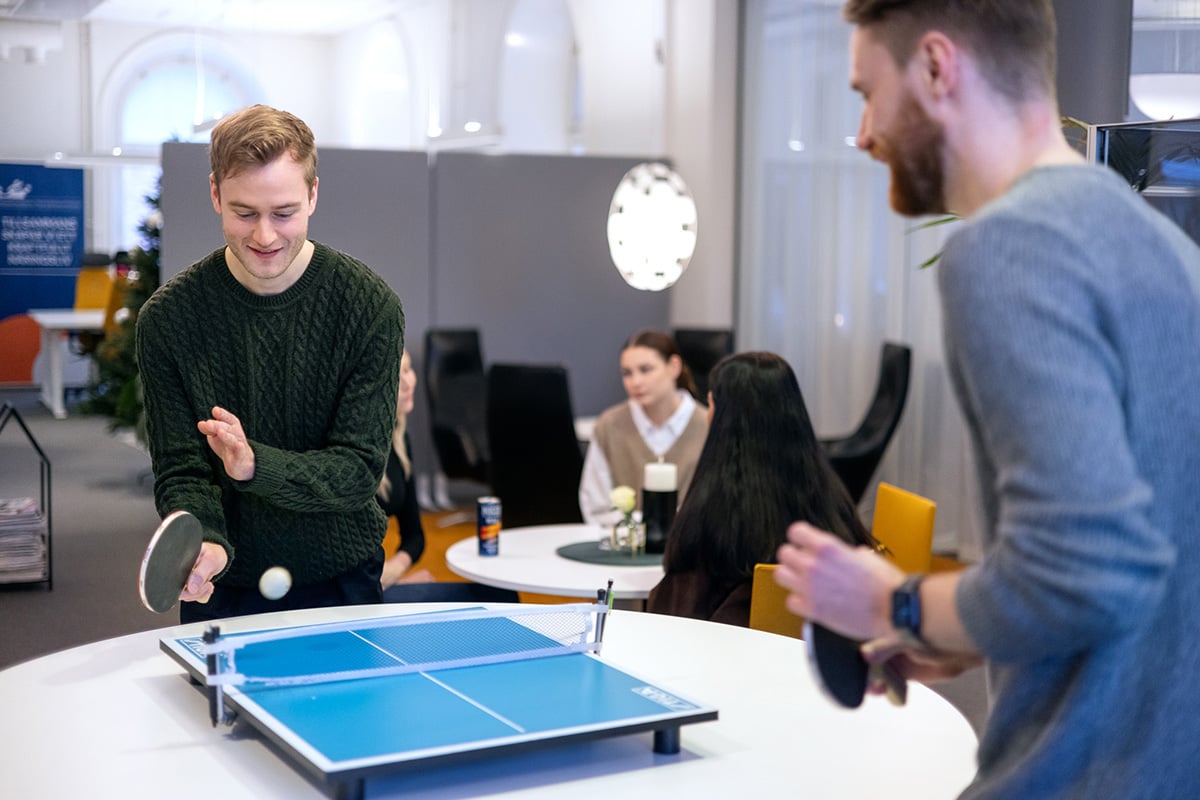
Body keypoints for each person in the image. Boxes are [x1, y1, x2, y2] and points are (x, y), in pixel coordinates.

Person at [774, 2, 1200, 798]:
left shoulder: (1009, 245)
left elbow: (1089, 569)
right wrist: (958, 630)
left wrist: (895, 602)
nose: (864, 134)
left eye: (867, 93)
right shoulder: (1163, 249)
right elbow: (1152, 563)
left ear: (937, 68)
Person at [136, 104, 405, 623]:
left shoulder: (370, 307)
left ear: (313, 195)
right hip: (226, 585)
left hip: (342, 579)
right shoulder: (168, 319)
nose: (264, 236)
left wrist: (254, 464)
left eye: (283, 213)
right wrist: (207, 542)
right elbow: (182, 469)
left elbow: (357, 472)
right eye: (244, 213)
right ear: (215, 194)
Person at [647, 352, 874, 626]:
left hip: (726, 653)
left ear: (721, 419)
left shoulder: (713, 514)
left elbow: (676, 611)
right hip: (811, 646)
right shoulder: (828, 496)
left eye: (711, 406)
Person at [579, 329, 708, 526]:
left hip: (690, 550)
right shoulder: (610, 425)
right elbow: (596, 506)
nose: (635, 382)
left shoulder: (707, 424)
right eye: (627, 373)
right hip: (625, 549)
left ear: (674, 367)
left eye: (646, 369)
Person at [378, 350, 435, 589]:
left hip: (376, 582)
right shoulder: (357, 452)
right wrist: (386, 581)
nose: (408, 382)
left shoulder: (400, 441)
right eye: (398, 374)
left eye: (409, 369)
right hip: (356, 593)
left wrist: (395, 568)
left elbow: (415, 537)